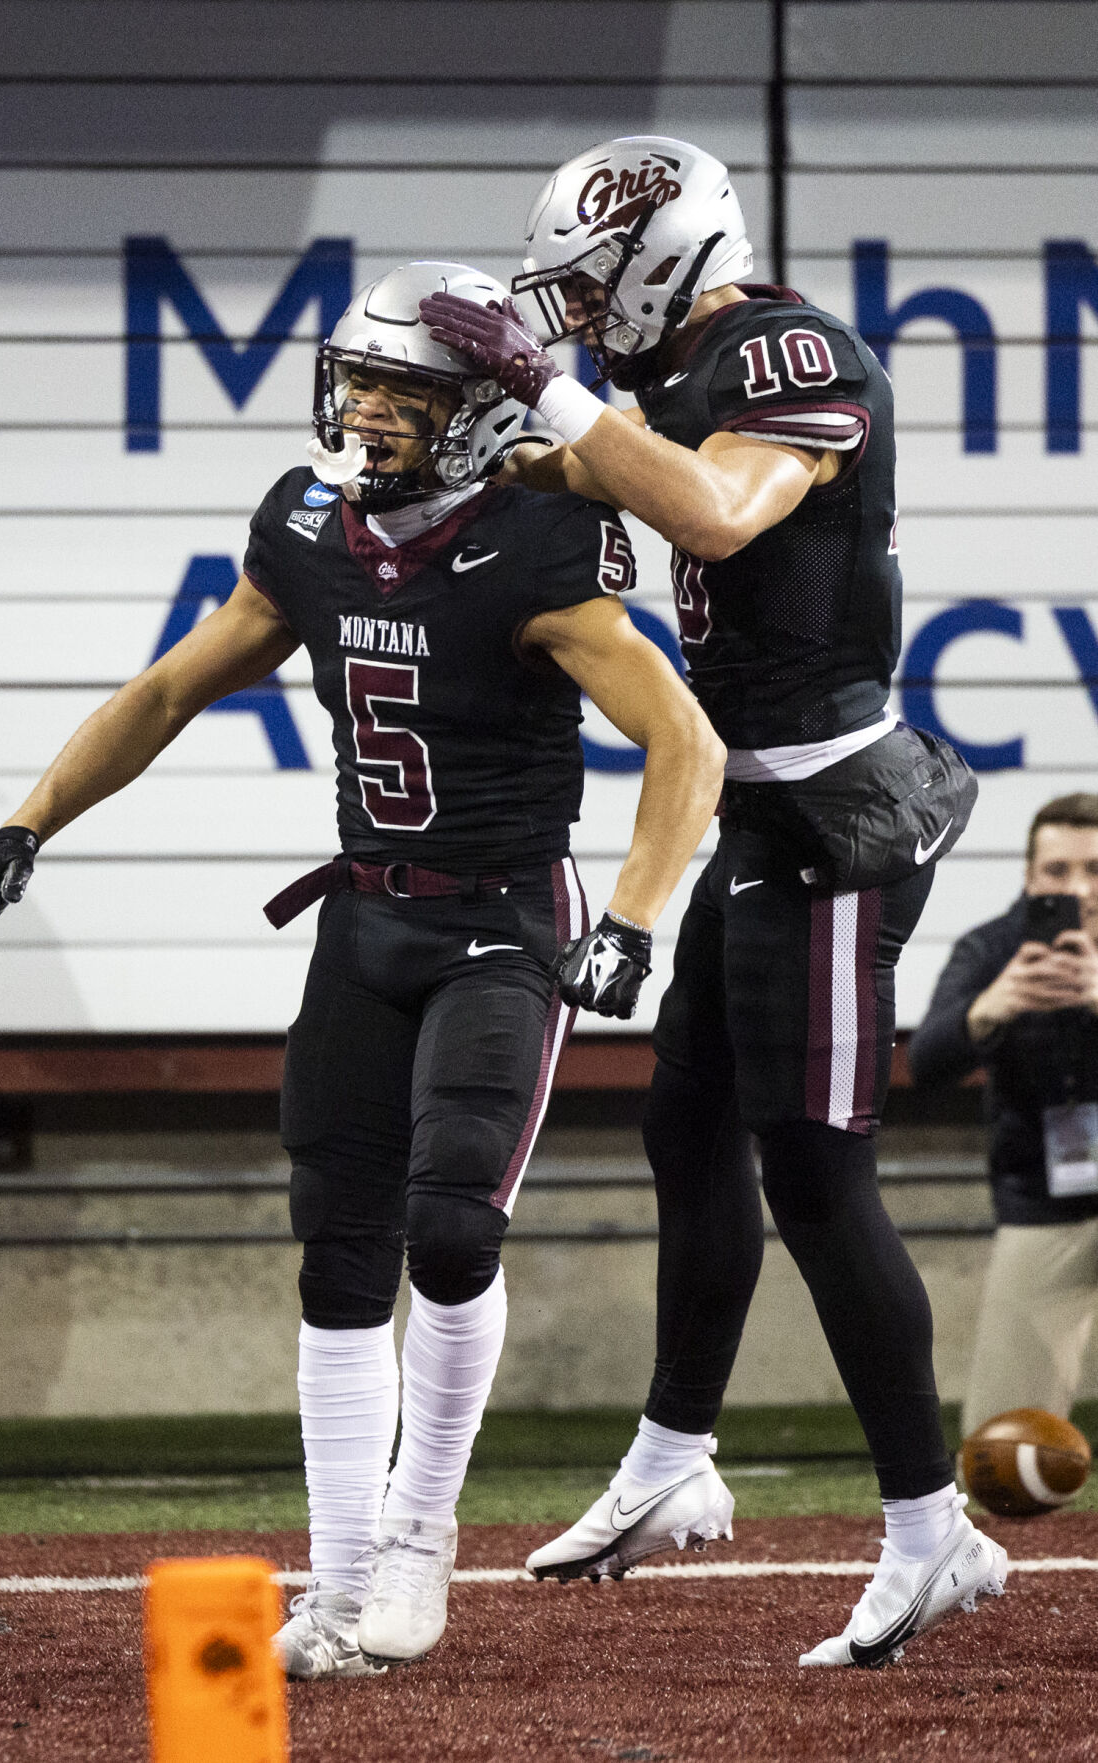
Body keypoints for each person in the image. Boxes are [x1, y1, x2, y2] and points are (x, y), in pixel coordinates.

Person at [0, 260, 723, 1679]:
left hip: (501, 918)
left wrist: (627, 913)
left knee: (449, 1229)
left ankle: (417, 1535)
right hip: (363, 919)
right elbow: (170, 687)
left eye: (403, 392)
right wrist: (30, 817)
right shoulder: (306, 524)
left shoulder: (540, 541)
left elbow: (683, 737)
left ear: (486, 412)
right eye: (357, 381)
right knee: (337, 1249)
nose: (364, 411)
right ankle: (339, 1574)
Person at [421, 137, 1007, 1668]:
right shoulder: (685, 364)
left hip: (830, 816)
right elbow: (603, 463)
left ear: (666, 251)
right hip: (756, 801)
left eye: (591, 282)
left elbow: (714, 512)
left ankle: (924, 1525)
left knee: (815, 1170)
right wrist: (479, 438)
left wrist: (550, 398)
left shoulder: (789, 351)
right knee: (686, 1125)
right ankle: (673, 1456)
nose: (578, 313)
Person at [910, 793, 1098, 1438]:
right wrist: (987, 1010)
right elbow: (924, 1066)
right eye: (1057, 871)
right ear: (1028, 876)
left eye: (1096, 870)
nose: (1077, 887)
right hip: (1045, 1199)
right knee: (1003, 1451)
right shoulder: (992, 949)